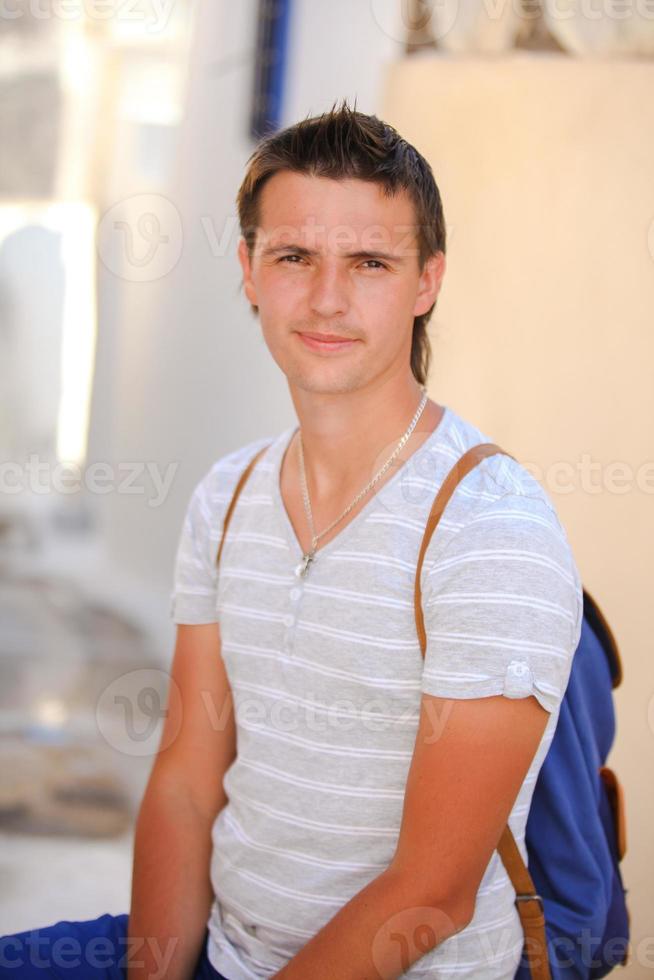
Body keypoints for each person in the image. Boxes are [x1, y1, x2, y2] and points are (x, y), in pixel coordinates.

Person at [0, 100, 583, 980]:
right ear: (249, 270)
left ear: (427, 282)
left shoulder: (489, 529)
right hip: (221, 952)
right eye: (295, 257)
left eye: (371, 263)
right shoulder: (228, 496)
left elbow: (431, 892)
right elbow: (189, 783)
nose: (326, 298)